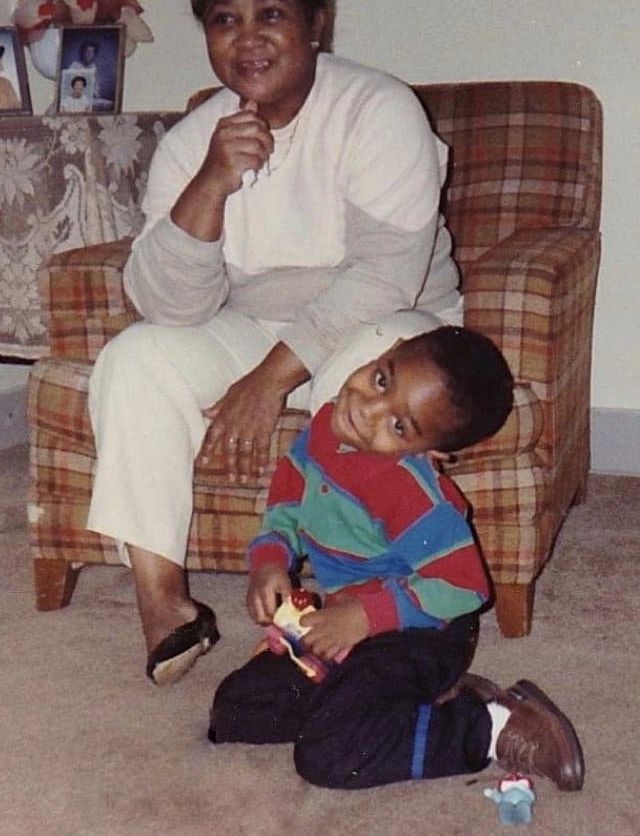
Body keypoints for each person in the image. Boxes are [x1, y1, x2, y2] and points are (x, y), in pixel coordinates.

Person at [86, 0, 463, 686]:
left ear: (316, 23)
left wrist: (269, 380)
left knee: (374, 358)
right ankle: (166, 607)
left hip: (390, 319)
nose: (248, 37)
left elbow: (386, 274)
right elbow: (168, 305)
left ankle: (354, 602)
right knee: (135, 357)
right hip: (254, 319)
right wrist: (213, 183)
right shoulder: (196, 143)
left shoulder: (379, 110)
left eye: (271, 14)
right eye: (225, 19)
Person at [208, 326, 585, 793]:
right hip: (350, 619)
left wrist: (366, 617)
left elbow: (466, 587)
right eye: (382, 380)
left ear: (430, 451)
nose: (366, 410)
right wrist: (269, 560)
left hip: (424, 628)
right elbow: (289, 494)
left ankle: (490, 726)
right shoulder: (325, 425)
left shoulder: (411, 492)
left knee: (328, 754)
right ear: (386, 353)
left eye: (399, 426)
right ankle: (394, 702)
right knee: (235, 709)